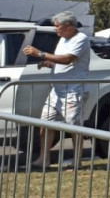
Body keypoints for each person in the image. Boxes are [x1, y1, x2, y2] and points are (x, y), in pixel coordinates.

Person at [20, 11, 91, 169]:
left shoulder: (81, 39)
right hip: (56, 90)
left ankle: (77, 161)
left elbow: (68, 59)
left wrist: (39, 54)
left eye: (57, 27)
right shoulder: (63, 39)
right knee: (45, 123)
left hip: (73, 90)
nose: (55, 30)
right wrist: (49, 63)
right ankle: (43, 159)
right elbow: (61, 61)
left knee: (74, 126)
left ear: (68, 27)